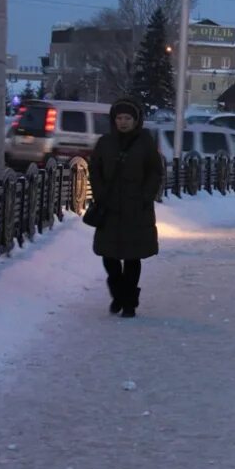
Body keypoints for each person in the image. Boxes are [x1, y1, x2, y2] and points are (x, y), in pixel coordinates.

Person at [89, 97, 163, 318]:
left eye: (127, 118)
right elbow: (95, 170)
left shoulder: (145, 142)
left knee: (132, 256)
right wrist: (101, 195)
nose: (123, 122)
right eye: (119, 118)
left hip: (136, 209)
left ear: (135, 120)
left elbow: (155, 172)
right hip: (110, 208)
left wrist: (145, 197)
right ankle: (118, 293)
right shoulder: (105, 143)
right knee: (109, 256)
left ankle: (129, 302)